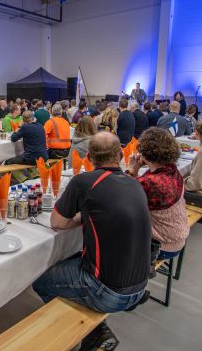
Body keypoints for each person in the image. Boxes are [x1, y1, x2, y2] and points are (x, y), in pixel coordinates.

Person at [33, 132, 150, 351]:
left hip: (110, 291)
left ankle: (93, 332)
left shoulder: (84, 182)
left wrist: (81, 217)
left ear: (89, 156)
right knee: (75, 258)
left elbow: (57, 222)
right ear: (119, 154)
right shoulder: (134, 183)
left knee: (40, 280)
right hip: (141, 284)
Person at [126, 127, 190, 262]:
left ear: (145, 153)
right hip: (178, 236)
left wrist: (132, 171)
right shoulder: (172, 169)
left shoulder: (150, 182)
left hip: (163, 245)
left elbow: (125, 197)